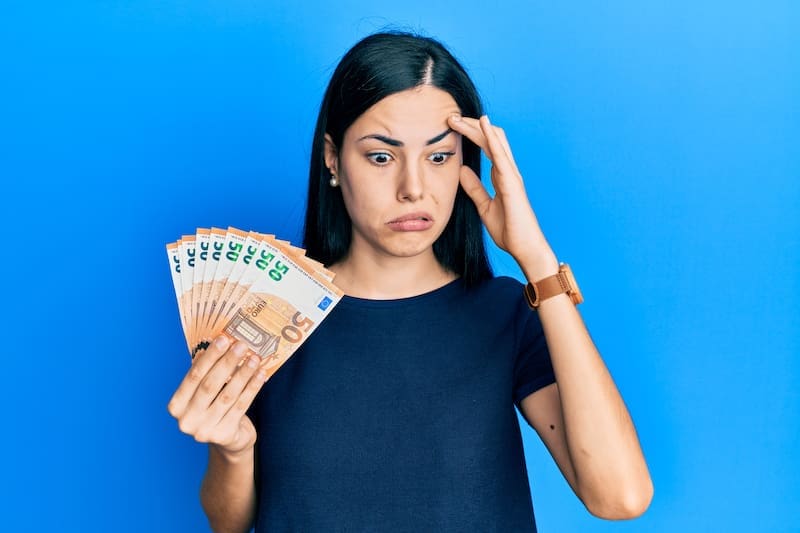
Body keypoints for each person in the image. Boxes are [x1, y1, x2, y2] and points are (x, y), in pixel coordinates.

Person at [168, 31, 653, 532]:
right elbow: (230, 523)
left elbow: (621, 496)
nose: (413, 188)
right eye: (382, 156)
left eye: (439, 157)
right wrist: (232, 449)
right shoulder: (267, 312)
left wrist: (537, 260)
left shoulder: (506, 314)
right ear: (333, 159)